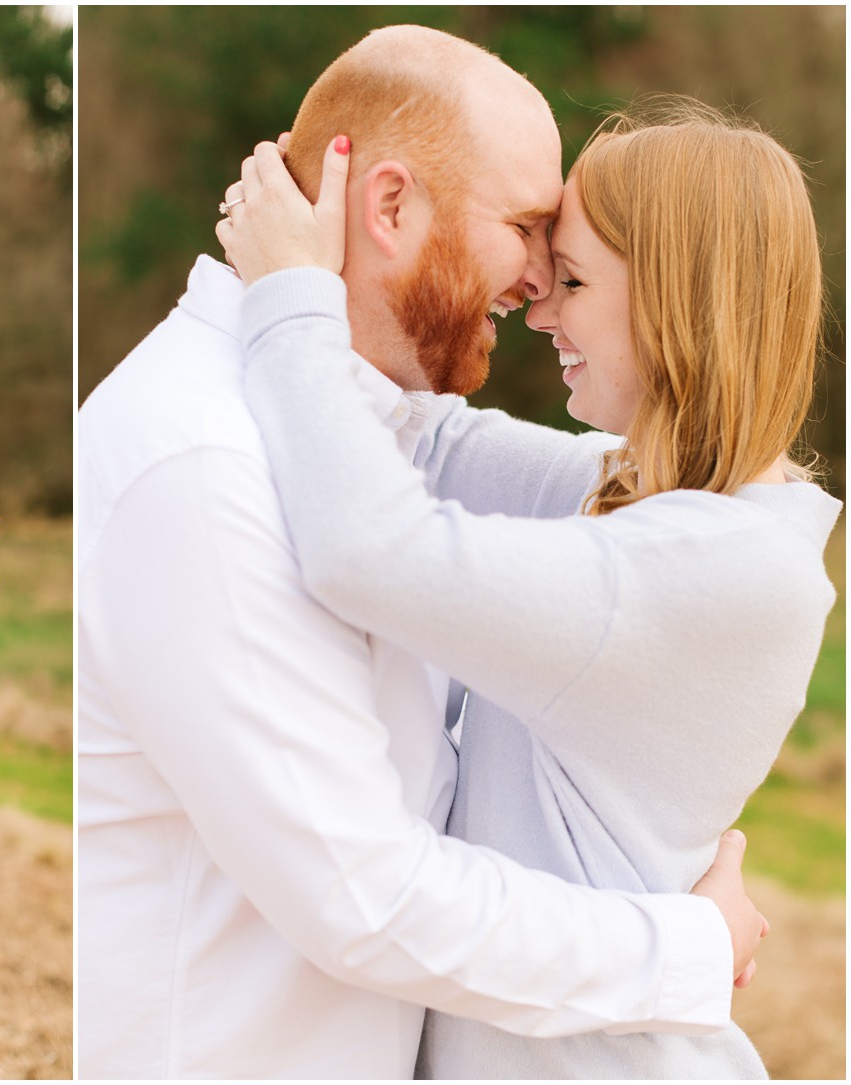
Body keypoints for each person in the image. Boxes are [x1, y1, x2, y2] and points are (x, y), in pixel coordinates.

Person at [76, 26, 768, 1080]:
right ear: (389, 206)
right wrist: (687, 947)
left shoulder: (351, 428)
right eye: (529, 226)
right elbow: (365, 896)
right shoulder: (202, 460)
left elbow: (644, 489)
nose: (541, 280)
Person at [216, 95, 838, 1076]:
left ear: (678, 299)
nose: (538, 304)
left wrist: (289, 291)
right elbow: (429, 443)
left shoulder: (717, 569)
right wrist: (365, 256)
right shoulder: (642, 497)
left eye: (573, 277)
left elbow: (367, 548)